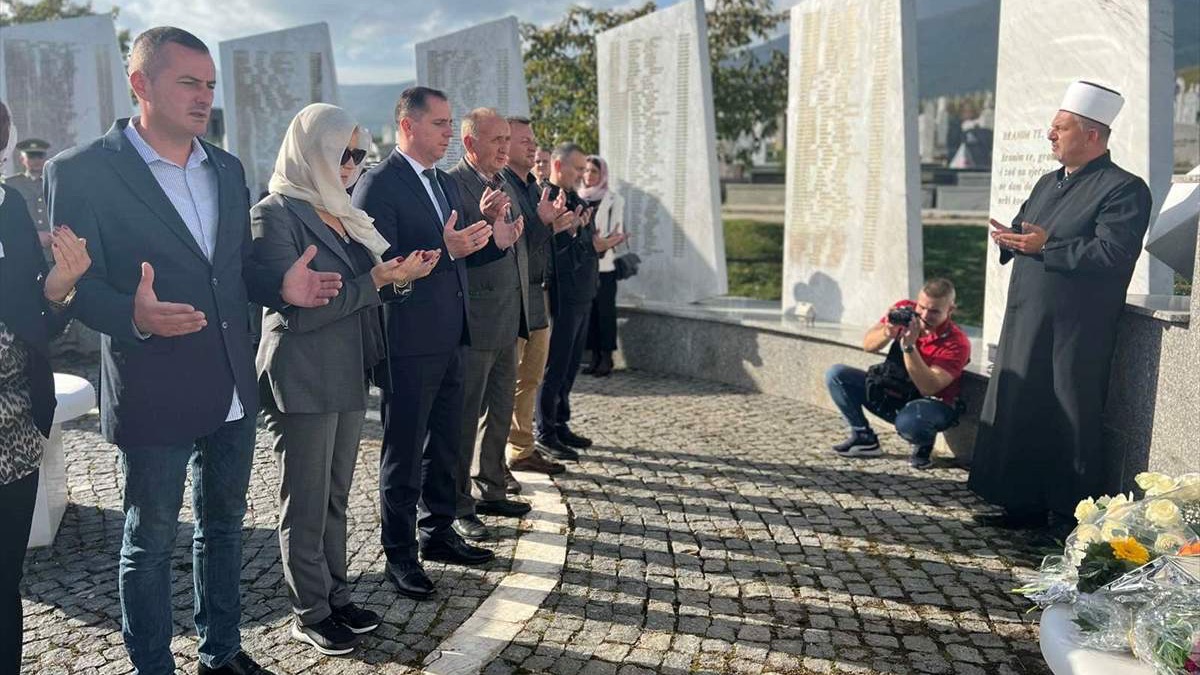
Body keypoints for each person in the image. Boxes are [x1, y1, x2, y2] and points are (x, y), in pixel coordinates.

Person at [45, 27, 343, 675]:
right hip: (151, 386)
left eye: (209, 84)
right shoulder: (80, 171)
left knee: (225, 526)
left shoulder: (226, 166)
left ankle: (222, 652)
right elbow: (70, 290)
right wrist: (133, 312)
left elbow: (237, 272)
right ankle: (152, 665)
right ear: (141, 85)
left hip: (233, 380)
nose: (204, 96)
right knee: (149, 541)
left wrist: (280, 284)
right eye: (188, 81)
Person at [252, 103, 437, 655]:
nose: (354, 164)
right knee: (305, 500)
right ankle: (308, 610)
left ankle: (334, 593)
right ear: (314, 153)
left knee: (335, 495)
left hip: (348, 368)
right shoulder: (275, 212)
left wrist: (398, 278)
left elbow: (367, 287)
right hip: (303, 372)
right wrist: (376, 280)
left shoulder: (342, 211)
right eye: (344, 153)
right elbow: (301, 309)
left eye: (360, 153)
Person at [969, 80, 1153, 530]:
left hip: (1076, 326)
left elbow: (1112, 254)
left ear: (1092, 135)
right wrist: (1012, 239)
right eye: (1052, 127)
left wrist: (1046, 247)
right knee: (1021, 404)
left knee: (1067, 412)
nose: (1051, 135)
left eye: (1060, 128)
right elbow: (1029, 231)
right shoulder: (1048, 181)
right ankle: (1020, 504)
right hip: (1027, 315)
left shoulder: (1124, 189)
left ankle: (1071, 515)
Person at [351, 86, 495, 602]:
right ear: (408, 126)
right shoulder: (377, 184)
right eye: (440, 124)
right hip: (408, 342)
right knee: (404, 452)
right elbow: (380, 265)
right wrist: (445, 247)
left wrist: (486, 239)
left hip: (452, 334)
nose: (449, 134)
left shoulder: (441, 181)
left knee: (448, 444)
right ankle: (399, 554)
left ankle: (438, 533)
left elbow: (460, 252)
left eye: (451, 124)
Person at [0, 101, 92, 674]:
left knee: (6, 578)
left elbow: (35, 320)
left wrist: (60, 285)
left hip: (14, 429)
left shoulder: (7, 205)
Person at [445, 108, 532, 541]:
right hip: (473, 322)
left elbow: (512, 244)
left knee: (500, 410)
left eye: (506, 139)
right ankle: (459, 504)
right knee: (464, 419)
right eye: (495, 139)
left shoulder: (502, 184)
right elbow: (460, 252)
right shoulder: (453, 185)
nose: (503, 147)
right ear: (470, 143)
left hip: (506, 317)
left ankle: (492, 486)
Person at [534, 143, 624, 461]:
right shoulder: (549, 198)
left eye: (586, 168)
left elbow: (583, 248)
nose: (583, 174)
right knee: (555, 366)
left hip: (584, 291)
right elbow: (552, 254)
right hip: (563, 295)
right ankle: (545, 430)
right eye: (577, 168)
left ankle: (560, 422)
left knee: (571, 365)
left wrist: (597, 243)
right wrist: (571, 233)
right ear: (558, 166)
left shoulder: (575, 199)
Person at [825, 278, 970, 470]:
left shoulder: (956, 342)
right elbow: (868, 345)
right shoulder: (905, 312)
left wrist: (909, 347)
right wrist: (888, 332)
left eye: (934, 311)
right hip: (897, 388)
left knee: (914, 421)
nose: (925, 315)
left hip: (933, 403)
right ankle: (863, 437)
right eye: (922, 307)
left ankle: (923, 445)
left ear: (950, 310)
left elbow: (929, 387)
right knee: (837, 375)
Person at [503, 118, 573, 479]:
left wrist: (558, 227)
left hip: (537, 297)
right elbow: (512, 245)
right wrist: (542, 224)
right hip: (512, 298)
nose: (532, 147)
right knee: (503, 384)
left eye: (534, 141)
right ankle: (493, 463)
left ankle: (523, 448)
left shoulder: (534, 187)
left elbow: (540, 244)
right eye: (524, 141)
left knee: (530, 378)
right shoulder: (502, 186)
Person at [578, 155, 626, 377]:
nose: (589, 175)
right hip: (583, 264)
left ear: (602, 174)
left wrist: (601, 245)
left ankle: (607, 357)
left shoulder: (614, 199)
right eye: (586, 171)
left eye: (594, 172)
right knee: (591, 312)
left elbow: (616, 231)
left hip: (605, 265)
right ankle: (594, 356)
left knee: (605, 312)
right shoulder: (578, 196)